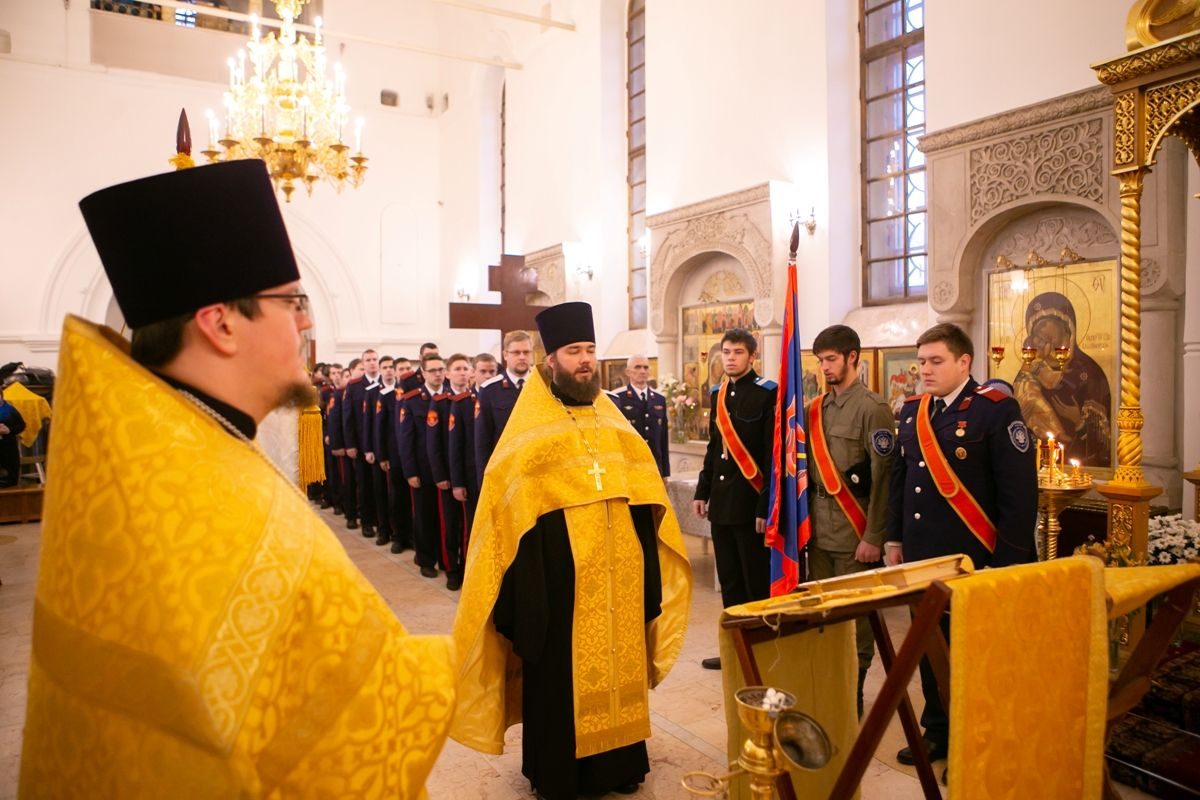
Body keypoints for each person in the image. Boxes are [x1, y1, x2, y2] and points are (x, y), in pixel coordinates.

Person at [20, 161, 454, 797]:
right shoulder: (194, 499)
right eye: (292, 302)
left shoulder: (175, 452)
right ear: (220, 323)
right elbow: (324, 718)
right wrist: (477, 662)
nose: (305, 323)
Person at [451, 301, 691, 800]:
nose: (584, 360)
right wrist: (528, 598)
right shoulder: (528, 432)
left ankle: (620, 766)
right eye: (574, 351)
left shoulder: (614, 422)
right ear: (551, 360)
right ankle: (559, 775)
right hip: (559, 587)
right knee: (561, 678)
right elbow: (509, 514)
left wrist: (646, 572)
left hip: (619, 578)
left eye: (589, 350)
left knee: (621, 667)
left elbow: (643, 497)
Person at [885, 322, 1037, 767]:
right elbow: (901, 479)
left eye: (936, 361)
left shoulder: (995, 410)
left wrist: (1004, 563)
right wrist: (895, 537)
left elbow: (1019, 496)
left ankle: (975, 741)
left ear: (964, 362)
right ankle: (937, 730)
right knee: (930, 648)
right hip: (922, 555)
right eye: (922, 362)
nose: (925, 370)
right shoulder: (913, 411)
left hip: (975, 557)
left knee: (975, 654)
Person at [805, 324, 896, 716]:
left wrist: (874, 535)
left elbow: (883, 478)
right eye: (820, 360)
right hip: (818, 532)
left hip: (853, 532)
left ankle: (852, 694)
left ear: (852, 358)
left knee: (855, 620)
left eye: (831, 359)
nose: (825, 367)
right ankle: (828, 690)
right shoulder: (815, 409)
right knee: (822, 614)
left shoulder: (873, 409)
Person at [692, 328, 776, 670]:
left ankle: (760, 651)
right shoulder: (719, 393)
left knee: (754, 583)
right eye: (726, 352)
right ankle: (735, 649)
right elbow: (715, 447)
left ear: (752, 356)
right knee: (729, 581)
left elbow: (772, 455)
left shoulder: (767, 393)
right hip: (723, 504)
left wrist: (764, 505)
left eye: (738, 352)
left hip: (750, 503)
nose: (730, 358)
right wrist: (703, 490)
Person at [1013, 291, 1112, 466]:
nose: (1047, 346)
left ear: (1069, 335)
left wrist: (1078, 420)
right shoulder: (1032, 367)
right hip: (1036, 462)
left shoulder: (1089, 372)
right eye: (1041, 339)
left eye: (1052, 340)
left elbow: (1102, 443)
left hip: (1079, 466)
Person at [398, 352, 447, 579]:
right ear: (423, 374)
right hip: (423, 469)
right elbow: (406, 440)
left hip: (446, 468)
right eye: (433, 371)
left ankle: (446, 559)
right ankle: (426, 559)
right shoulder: (412, 400)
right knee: (425, 516)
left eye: (441, 370)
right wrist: (411, 472)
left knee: (446, 519)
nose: (438, 374)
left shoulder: (451, 397)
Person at [427, 353, 473, 590]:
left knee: (469, 526)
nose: (462, 373)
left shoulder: (475, 399)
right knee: (450, 524)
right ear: (448, 374)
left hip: (468, 472)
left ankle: (468, 568)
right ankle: (451, 569)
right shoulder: (440, 402)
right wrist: (440, 475)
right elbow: (434, 443)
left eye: (465, 368)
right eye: (457, 369)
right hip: (447, 473)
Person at [474, 330, 533, 484]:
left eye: (526, 352)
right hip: (505, 471)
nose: (522, 357)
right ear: (505, 355)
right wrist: (484, 481)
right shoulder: (489, 390)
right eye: (516, 352)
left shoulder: (543, 385)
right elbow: (483, 440)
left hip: (536, 470)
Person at [607, 354, 670, 478]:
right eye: (637, 367)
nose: (642, 371)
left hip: (654, 466)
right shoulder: (618, 398)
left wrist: (665, 473)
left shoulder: (659, 399)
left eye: (646, 367)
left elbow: (663, 439)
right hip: (629, 466)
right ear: (628, 372)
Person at [344, 348, 380, 539]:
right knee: (364, 485)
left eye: (375, 359)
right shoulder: (354, 386)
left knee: (380, 486)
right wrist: (350, 444)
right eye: (368, 360)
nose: (372, 363)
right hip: (360, 443)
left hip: (380, 444)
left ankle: (380, 522)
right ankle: (366, 522)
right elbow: (348, 417)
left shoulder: (384, 384)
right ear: (363, 364)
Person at [366, 355, 397, 547]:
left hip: (397, 451)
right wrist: (372, 450)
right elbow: (370, 424)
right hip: (380, 450)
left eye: (391, 367)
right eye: (384, 367)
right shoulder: (373, 392)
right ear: (380, 370)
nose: (388, 370)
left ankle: (397, 532)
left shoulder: (400, 391)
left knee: (395, 495)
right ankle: (383, 530)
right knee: (381, 492)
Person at [0, 372, 26, 488]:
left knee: (10, 477)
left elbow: (21, 425)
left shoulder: (9, 409)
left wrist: (9, 430)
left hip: (8, 447)